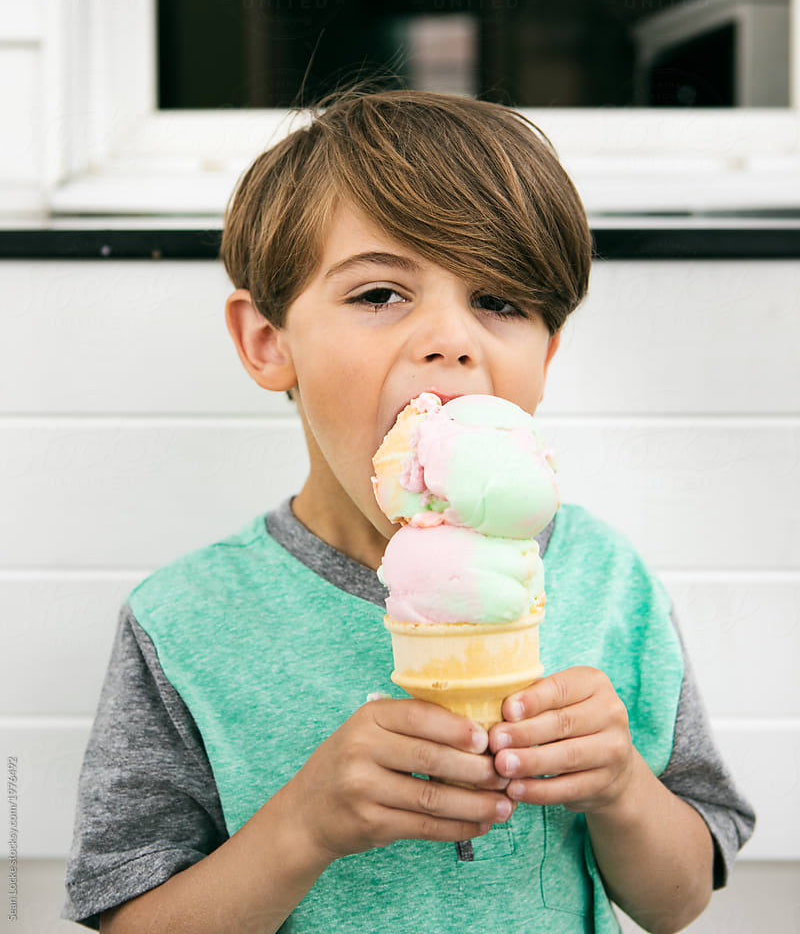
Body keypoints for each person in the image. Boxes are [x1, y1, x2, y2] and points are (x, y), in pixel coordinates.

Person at [63, 86, 754, 934]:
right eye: (380, 294)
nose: (453, 338)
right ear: (267, 341)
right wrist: (301, 827)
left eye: (499, 302)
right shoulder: (183, 622)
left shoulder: (610, 582)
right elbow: (128, 917)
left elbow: (679, 899)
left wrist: (621, 788)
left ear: (547, 357)